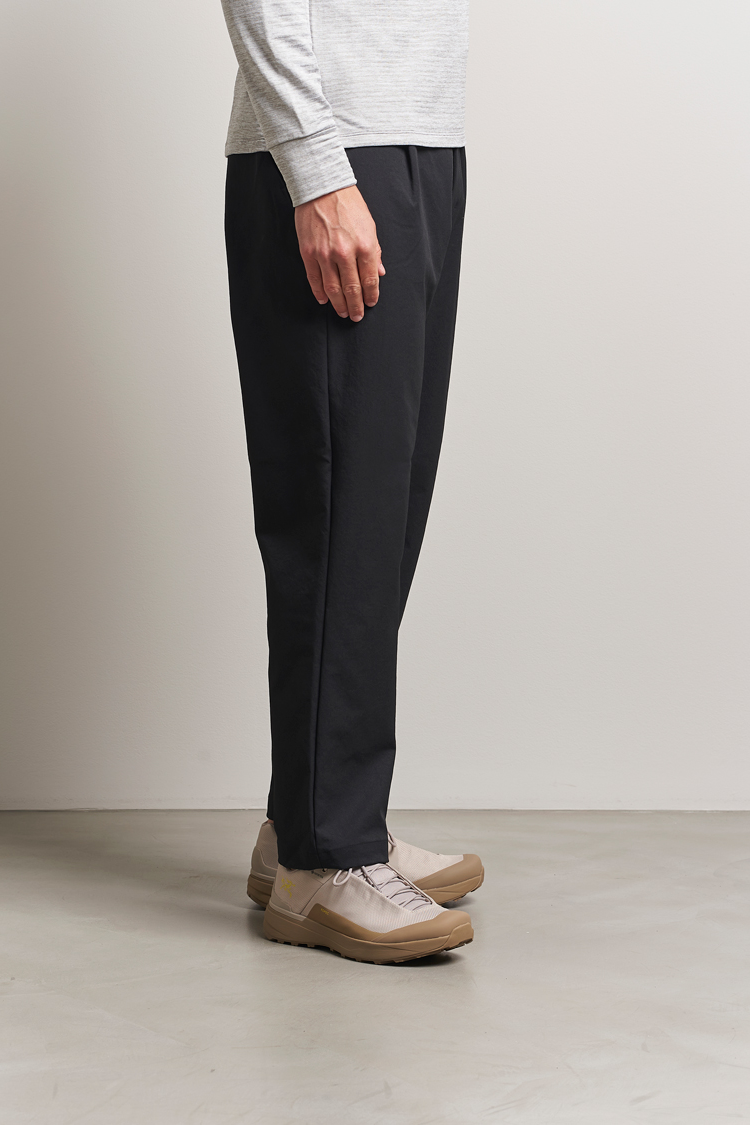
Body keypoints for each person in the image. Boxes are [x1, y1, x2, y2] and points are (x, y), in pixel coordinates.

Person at [220, 0, 482, 963]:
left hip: (420, 143)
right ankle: (325, 856)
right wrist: (319, 170)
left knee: (384, 508)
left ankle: (315, 817)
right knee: (338, 512)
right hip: (337, 155)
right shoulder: (325, 167)